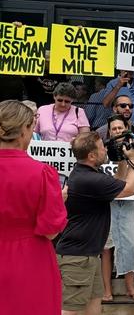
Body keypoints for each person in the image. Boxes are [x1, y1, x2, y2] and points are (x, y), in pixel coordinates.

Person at [56, 131, 134, 315]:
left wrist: (122, 161)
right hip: (77, 257)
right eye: (102, 147)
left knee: (93, 307)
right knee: (69, 310)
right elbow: (130, 189)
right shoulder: (89, 179)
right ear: (92, 155)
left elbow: (116, 184)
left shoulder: (89, 173)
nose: (106, 150)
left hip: (88, 255)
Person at [0, 100, 68, 315]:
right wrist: (59, 198)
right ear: (24, 130)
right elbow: (51, 232)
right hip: (30, 261)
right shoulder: (41, 173)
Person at [100, 114, 134, 302]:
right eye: (114, 129)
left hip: (127, 202)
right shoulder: (102, 151)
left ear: (126, 129)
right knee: (106, 247)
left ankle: (130, 286)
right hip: (106, 204)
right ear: (109, 131)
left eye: (120, 128)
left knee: (130, 244)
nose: (117, 131)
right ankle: (106, 290)